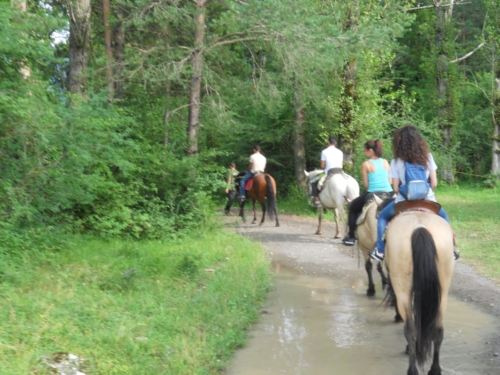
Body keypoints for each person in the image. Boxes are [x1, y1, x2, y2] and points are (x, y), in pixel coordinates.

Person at [369, 124, 458, 261]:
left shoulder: (396, 161)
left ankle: (380, 251)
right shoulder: (428, 157)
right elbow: (434, 183)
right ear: (419, 141)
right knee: (444, 218)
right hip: (428, 202)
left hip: (404, 203)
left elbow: (396, 189)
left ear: (399, 143)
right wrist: (424, 193)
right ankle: (452, 249)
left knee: (382, 217)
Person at [342, 140, 393, 246]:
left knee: (352, 208)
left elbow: (366, 185)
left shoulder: (366, 164)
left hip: (373, 193)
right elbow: (391, 181)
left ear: (370, 150)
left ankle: (351, 236)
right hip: (388, 193)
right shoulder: (385, 162)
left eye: (365, 151)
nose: (364, 153)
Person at [312, 135, 344, 207]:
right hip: (340, 172)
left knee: (314, 183)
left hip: (330, 173)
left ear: (328, 142)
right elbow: (342, 165)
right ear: (335, 143)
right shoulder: (340, 152)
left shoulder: (324, 152)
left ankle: (317, 201)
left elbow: (322, 166)